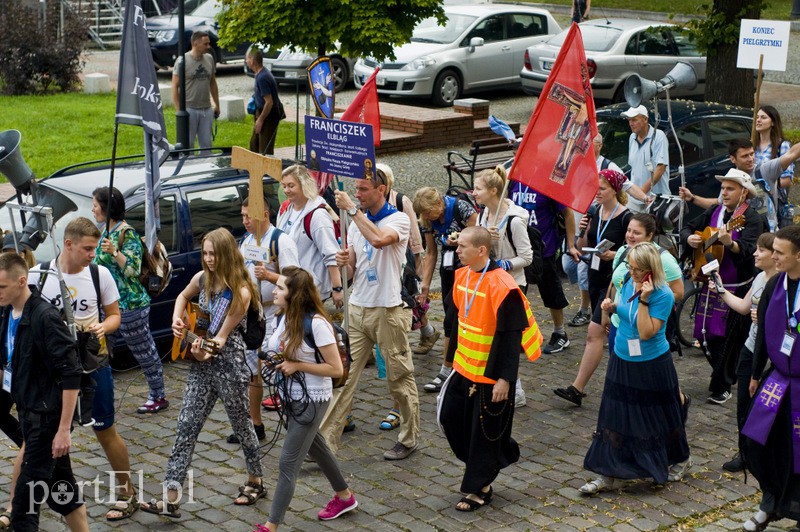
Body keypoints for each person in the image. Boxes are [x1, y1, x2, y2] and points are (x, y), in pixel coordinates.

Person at [141, 228, 265, 517]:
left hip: (229, 367)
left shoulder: (241, 292)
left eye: (214, 254)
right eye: (206, 253)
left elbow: (219, 340)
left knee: (242, 425)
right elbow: (182, 297)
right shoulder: (202, 279)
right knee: (186, 426)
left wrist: (199, 349)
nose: (209, 259)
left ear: (227, 254)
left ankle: (255, 479)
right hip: (201, 368)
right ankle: (170, 498)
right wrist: (177, 321)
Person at [27, 217, 141, 521]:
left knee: (105, 430)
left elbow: (115, 316)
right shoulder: (39, 276)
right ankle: (20, 506)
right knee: (38, 437)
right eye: (88, 248)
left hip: (93, 365)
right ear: (68, 244)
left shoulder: (98, 273)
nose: (94, 253)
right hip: (52, 370)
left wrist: (103, 326)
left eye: (94, 248)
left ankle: (127, 492)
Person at [438, 226, 543, 511]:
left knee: (483, 433)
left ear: (481, 250)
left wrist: (505, 380)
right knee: (450, 419)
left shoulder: (503, 285)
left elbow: (511, 338)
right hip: (464, 368)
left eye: (462, 247)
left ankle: (478, 488)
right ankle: (497, 455)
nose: (457, 251)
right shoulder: (462, 275)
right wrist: (448, 364)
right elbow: (455, 322)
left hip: (491, 375)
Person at [320, 169, 421, 460]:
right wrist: (343, 264)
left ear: (382, 189)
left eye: (364, 189)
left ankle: (409, 437)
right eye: (356, 189)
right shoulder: (355, 224)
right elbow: (354, 268)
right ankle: (326, 443)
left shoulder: (397, 219)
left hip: (387, 310)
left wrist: (352, 210)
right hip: (358, 308)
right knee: (343, 377)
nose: (358, 194)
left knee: (398, 377)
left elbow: (378, 240)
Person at [579, 242, 690, 494]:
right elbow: (624, 311)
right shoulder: (629, 282)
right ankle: (609, 472)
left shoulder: (661, 295)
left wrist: (643, 300)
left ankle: (679, 459)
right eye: (630, 267)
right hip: (622, 358)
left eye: (638, 269)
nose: (632, 272)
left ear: (650, 270)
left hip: (651, 364)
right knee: (615, 415)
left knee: (659, 416)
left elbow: (646, 331)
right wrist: (612, 308)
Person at [253, 267, 357, 531]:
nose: (274, 290)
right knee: (317, 447)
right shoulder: (282, 317)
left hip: (312, 399)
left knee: (287, 462)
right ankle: (345, 497)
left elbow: (335, 369)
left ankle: (271, 525)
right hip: (291, 397)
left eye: (280, 288)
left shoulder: (318, 325)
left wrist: (297, 366)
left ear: (295, 295)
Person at [555, 213, 683, 405]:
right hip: (620, 323)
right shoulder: (623, 252)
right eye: (629, 231)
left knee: (652, 378)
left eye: (637, 233)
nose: (630, 236)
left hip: (645, 325)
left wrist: (648, 303)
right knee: (621, 377)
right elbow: (615, 284)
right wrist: (607, 311)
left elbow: (678, 293)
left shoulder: (664, 260)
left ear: (649, 236)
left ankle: (678, 401)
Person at [1, 253, 89, 531]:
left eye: (2, 287)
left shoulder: (45, 317)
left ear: (21, 282)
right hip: (28, 415)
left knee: (23, 512)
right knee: (65, 495)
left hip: (46, 422)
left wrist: (64, 430)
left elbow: (72, 373)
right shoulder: (7, 312)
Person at [680, 168, 765, 404]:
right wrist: (690, 238)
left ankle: (723, 384)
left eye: (730, 188)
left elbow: (749, 250)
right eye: (723, 188)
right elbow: (688, 227)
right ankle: (725, 373)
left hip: (736, 287)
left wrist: (731, 245)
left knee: (727, 337)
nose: (724, 193)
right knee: (703, 333)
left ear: (743, 193)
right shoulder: (714, 211)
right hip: (710, 283)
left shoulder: (752, 219)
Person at [225, 196, 299, 444]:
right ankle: (255, 424)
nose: (244, 221)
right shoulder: (246, 242)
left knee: (276, 370)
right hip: (253, 315)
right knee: (252, 372)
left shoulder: (282, 242)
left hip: (276, 316)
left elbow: (295, 283)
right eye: (242, 215)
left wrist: (268, 275)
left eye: (249, 216)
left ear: (265, 215)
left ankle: (295, 423)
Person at [554, 170, 631, 406]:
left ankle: (578, 388)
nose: (597, 192)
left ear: (615, 191)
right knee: (607, 337)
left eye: (602, 189)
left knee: (594, 335)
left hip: (614, 284)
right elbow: (583, 246)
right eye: (595, 188)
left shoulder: (626, 218)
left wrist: (615, 254)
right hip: (596, 278)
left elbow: (636, 251)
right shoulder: (596, 212)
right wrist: (584, 231)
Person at [741, 225, 800, 531]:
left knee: (797, 449)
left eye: (779, 252)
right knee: (759, 440)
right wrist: (754, 374)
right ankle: (769, 502)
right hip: (778, 378)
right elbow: (764, 331)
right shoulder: (775, 286)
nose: (773, 256)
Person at [91, 186, 169, 414]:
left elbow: (133, 270)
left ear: (106, 208)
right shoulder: (104, 230)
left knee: (144, 351)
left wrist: (115, 252)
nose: (92, 209)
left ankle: (158, 395)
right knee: (100, 351)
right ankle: (98, 394)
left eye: (95, 205)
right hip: (109, 306)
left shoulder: (127, 234)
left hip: (131, 305)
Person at [708, 232, 775, 474]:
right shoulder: (759, 278)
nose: (755, 253)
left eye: (761, 250)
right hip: (750, 348)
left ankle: (766, 452)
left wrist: (768, 318)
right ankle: (744, 452)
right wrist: (721, 291)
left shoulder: (783, 284)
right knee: (744, 406)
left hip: (771, 355)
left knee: (766, 406)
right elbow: (745, 307)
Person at [474, 165, 533, 407]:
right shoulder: (482, 216)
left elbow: (527, 257)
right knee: (492, 337)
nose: (474, 192)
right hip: (490, 285)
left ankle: (515, 387)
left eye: (478, 189)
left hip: (512, 288)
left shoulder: (514, 222)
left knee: (509, 341)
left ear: (494, 190)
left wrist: (504, 264)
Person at [413, 186, 478, 393]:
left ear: (439, 204)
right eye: (422, 214)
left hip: (471, 271)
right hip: (450, 270)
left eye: (427, 212)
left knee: (469, 320)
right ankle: (447, 369)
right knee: (450, 319)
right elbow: (431, 253)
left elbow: (479, 240)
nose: (425, 217)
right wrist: (424, 286)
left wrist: (461, 241)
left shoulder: (462, 209)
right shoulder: (427, 220)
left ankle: (463, 367)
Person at [508, 165, 577, 354]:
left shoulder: (548, 182)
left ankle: (560, 333)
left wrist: (571, 245)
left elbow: (568, 213)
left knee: (551, 291)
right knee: (519, 293)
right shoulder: (514, 180)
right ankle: (524, 335)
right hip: (519, 249)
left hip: (543, 248)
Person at [680, 138, 800, 232]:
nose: (750, 159)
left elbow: (791, 154)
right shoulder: (730, 177)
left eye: (752, 154)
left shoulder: (764, 170)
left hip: (766, 236)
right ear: (732, 159)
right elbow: (719, 204)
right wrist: (692, 198)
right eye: (744, 156)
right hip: (742, 236)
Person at [276, 165, 343, 309]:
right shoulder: (285, 210)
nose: (286, 190)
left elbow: (330, 253)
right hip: (290, 286)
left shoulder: (318, 215)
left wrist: (337, 288)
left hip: (311, 289)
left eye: (291, 186)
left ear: (304, 185)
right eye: (284, 186)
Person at [172, 30, 220, 153]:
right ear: (195, 43)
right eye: (205, 44)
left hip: (206, 109)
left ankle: (205, 167)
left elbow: (213, 83)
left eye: (208, 43)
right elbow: (174, 86)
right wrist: (179, 111)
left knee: (207, 146)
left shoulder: (209, 58)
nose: (208, 47)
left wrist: (217, 105)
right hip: (189, 108)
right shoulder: (182, 61)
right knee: (188, 146)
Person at [620, 105, 670, 213]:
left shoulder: (659, 136)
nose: (630, 123)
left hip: (656, 201)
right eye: (629, 120)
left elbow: (660, 169)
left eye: (634, 119)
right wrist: (637, 195)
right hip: (635, 201)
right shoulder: (632, 138)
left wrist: (640, 193)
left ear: (645, 119)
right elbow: (634, 168)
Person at [755, 106, 795, 228]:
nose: (758, 120)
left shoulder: (782, 146)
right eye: (757, 117)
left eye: (763, 117)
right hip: (754, 201)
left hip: (773, 202)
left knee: (771, 234)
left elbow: (787, 180)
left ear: (772, 122)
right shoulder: (752, 146)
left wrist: (765, 185)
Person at [246, 47, 282, 155]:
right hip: (262, 112)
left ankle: (267, 171)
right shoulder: (260, 74)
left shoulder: (262, 77)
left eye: (247, 59)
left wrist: (260, 120)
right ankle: (254, 170)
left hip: (268, 115)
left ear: (252, 60)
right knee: (254, 145)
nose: (246, 62)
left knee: (265, 149)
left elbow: (269, 102)